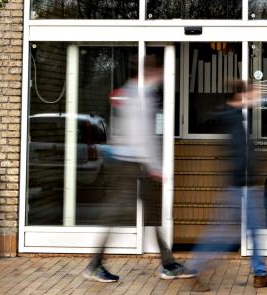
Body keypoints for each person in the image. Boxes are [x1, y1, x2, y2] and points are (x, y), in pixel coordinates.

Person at [83, 55, 195, 283]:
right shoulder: (138, 96)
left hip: (133, 164)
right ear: (149, 72)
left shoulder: (132, 93)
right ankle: (95, 264)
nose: (161, 77)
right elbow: (142, 135)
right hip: (131, 165)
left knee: (152, 214)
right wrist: (155, 166)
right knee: (117, 215)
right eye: (159, 72)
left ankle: (168, 263)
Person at [189, 80, 267, 292]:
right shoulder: (232, 117)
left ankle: (261, 274)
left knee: (254, 229)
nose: (257, 98)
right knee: (223, 233)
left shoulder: (238, 116)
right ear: (243, 95)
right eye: (254, 94)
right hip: (240, 186)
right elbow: (239, 154)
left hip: (245, 185)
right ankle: (195, 268)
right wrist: (251, 170)